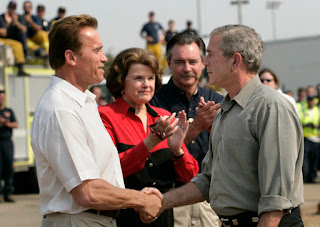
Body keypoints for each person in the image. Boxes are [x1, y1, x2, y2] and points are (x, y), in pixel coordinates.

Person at [147, 25, 305, 227]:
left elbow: (276, 200)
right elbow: (208, 180)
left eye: (211, 55)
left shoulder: (270, 107)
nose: (205, 62)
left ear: (235, 61)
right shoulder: (224, 111)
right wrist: (161, 202)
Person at [31, 15, 162, 227]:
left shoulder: (82, 103)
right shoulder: (62, 109)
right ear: (71, 58)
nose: (103, 58)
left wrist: (130, 197)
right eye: (96, 51)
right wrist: (140, 200)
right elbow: (87, 191)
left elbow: (98, 177)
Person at [98, 48, 199, 227]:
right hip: (122, 219)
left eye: (151, 78)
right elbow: (109, 171)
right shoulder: (105, 116)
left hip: (163, 218)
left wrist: (177, 150)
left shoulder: (164, 116)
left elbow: (190, 177)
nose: (146, 84)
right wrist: (152, 140)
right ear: (121, 81)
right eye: (138, 78)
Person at [150, 32, 223, 227]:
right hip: (172, 200)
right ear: (168, 63)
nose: (187, 68)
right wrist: (196, 127)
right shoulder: (154, 103)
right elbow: (156, 156)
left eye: (193, 61)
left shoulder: (217, 102)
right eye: (180, 61)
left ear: (203, 62)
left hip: (211, 199)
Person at [0, 85, 18, 203]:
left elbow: (15, 124)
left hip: (7, 143)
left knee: (9, 168)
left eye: (3, 96)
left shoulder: (9, 111)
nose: (1, 98)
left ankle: (8, 193)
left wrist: (6, 123)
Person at [299, 95, 320, 183]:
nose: (311, 102)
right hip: (306, 137)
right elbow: (299, 121)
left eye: (312, 100)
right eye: (309, 100)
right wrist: (306, 125)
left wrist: (316, 126)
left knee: (314, 158)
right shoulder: (303, 111)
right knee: (305, 158)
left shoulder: (317, 111)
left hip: (316, 137)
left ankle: (313, 175)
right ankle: (306, 175)